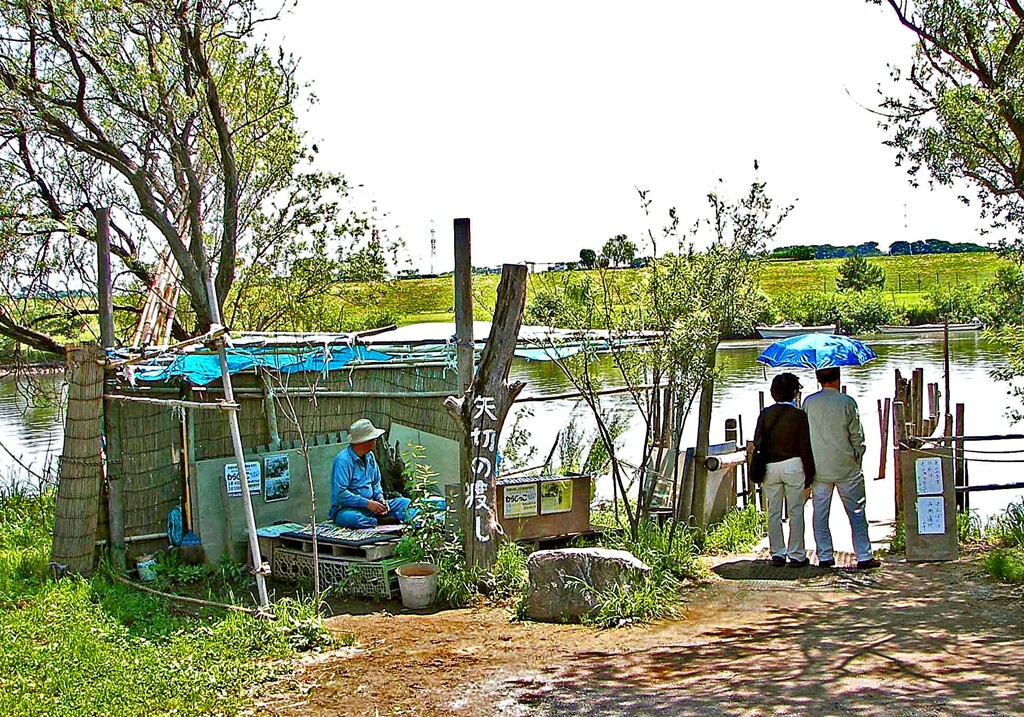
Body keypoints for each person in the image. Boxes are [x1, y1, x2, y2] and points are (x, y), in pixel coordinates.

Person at [803, 367, 881, 570]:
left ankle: (825, 555)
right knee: (856, 511)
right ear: (838, 378)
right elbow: (857, 436)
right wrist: (858, 457)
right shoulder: (847, 402)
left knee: (820, 513)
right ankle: (864, 555)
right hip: (846, 466)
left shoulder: (809, 402)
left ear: (818, 378)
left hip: (819, 467)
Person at [753, 372, 815, 567]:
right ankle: (796, 554)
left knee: (774, 511)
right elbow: (805, 446)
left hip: (770, 467)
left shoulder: (765, 414)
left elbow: (757, 441)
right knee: (796, 511)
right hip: (794, 466)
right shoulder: (799, 415)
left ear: (773, 393)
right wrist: (810, 473)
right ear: (795, 392)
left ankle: (777, 553)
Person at [329, 418, 413, 529]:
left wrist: (380, 498)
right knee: (351, 519)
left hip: (372, 506)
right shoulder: (343, 461)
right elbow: (340, 494)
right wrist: (366, 503)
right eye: (373, 439)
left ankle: (411, 521)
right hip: (348, 509)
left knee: (405, 502)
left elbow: (376, 483)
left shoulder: (370, 457)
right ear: (364, 442)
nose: (375, 442)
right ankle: (378, 522)